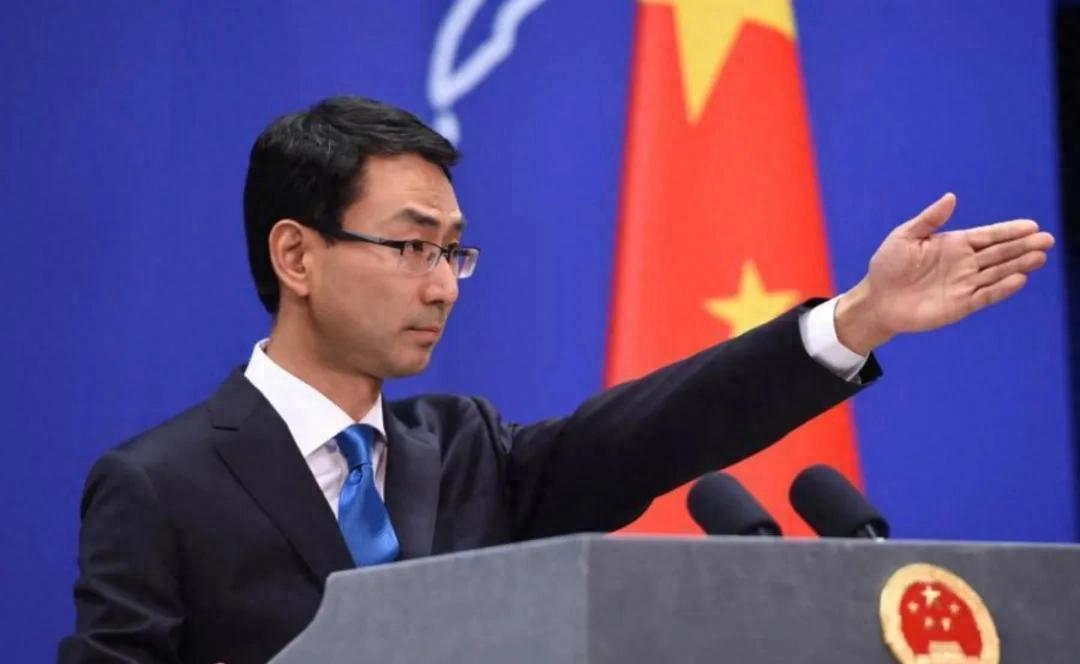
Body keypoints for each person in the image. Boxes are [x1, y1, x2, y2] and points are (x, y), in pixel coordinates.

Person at [58, 96, 1054, 664]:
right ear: (297, 255)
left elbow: (659, 430)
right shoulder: (160, 485)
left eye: (454, 251)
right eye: (410, 246)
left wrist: (859, 318)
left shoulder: (465, 451)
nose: (442, 285)